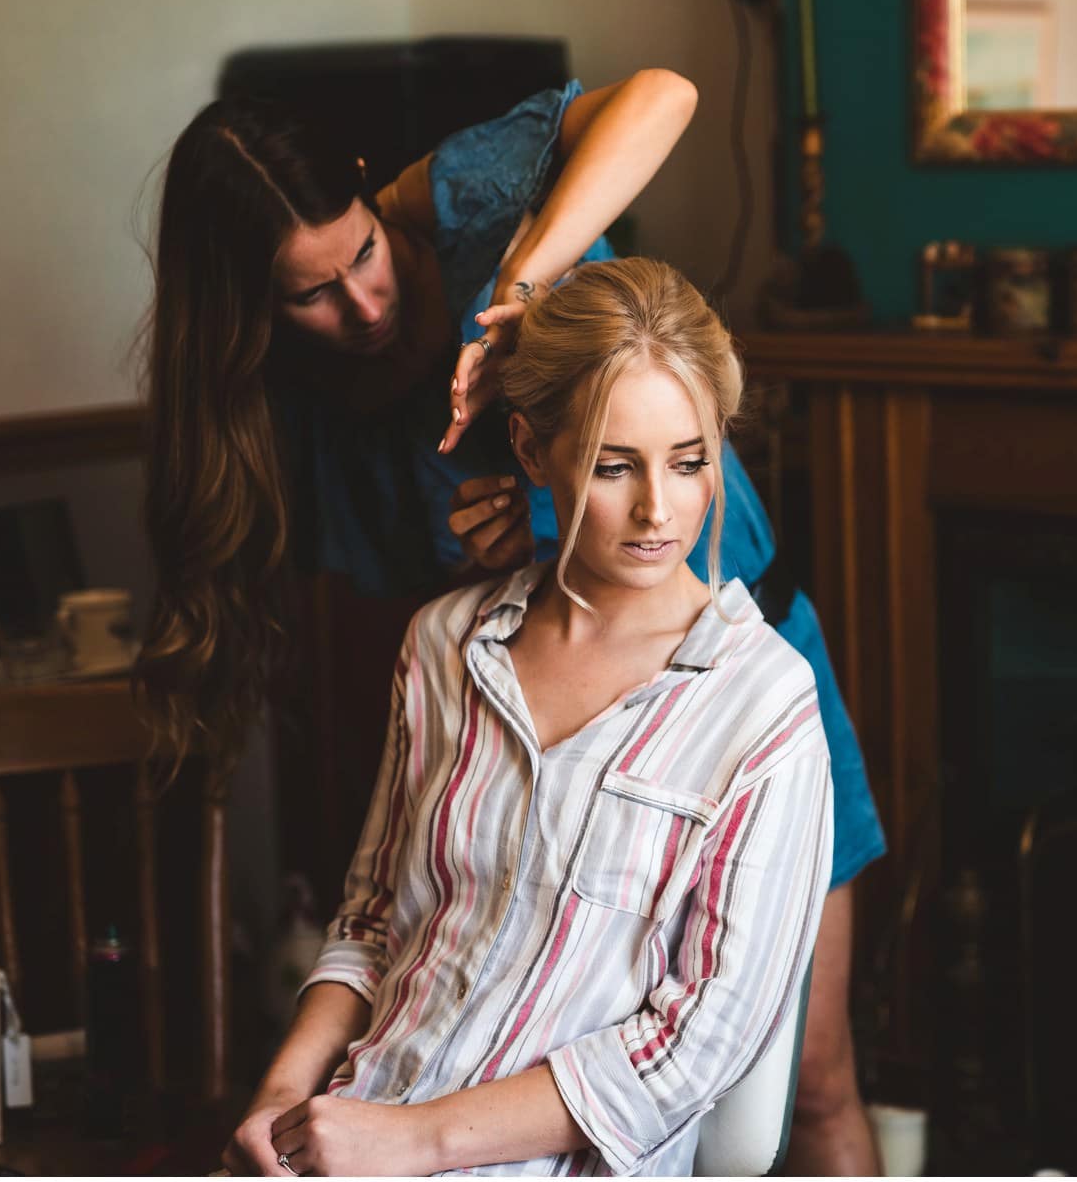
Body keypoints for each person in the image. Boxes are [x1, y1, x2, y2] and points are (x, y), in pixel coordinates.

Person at [138, 73, 886, 1173]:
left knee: (812, 1086)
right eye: (311, 295)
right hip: (539, 713)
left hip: (707, 694)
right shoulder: (322, 455)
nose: (364, 306)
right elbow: (389, 909)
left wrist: (518, 293)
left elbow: (665, 96)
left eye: (362, 257)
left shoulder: (465, 205)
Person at [223, 257, 832, 1176]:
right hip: (347, 1133)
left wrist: (417, 1143)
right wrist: (282, 1095)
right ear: (532, 449)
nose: (658, 510)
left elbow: (699, 1043)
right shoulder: (444, 646)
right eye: (613, 465)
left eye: (690, 460)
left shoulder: (763, 706)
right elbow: (374, 921)